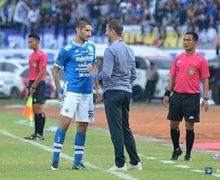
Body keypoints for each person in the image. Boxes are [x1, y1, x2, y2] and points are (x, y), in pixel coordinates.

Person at [88, 19, 142, 171]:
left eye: (106, 30)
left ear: (112, 31)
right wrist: (125, 84)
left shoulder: (110, 49)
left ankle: (120, 164)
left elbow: (106, 73)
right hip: (126, 92)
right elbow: (133, 75)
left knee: (115, 129)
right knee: (125, 127)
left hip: (113, 92)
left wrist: (94, 73)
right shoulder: (129, 49)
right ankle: (135, 162)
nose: (105, 33)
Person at [51, 18, 101, 170]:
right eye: (87, 30)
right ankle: (55, 159)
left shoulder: (92, 47)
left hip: (87, 92)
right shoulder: (67, 50)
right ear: (78, 30)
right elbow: (55, 70)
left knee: (83, 125)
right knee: (65, 123)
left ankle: (77, 162)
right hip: (72, 91)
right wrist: (59, 90)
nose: (89, 33)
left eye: (91, 31)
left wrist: (97, 88)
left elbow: (93, 68)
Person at [163, 32, 210, 161]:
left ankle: (188, 154)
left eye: (188, 40)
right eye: (184, 40)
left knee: (189, 125)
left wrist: (205, 99)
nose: (185, 42)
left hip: (192, 97)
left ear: (195, 42)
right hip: (177, 95)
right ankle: (176, 149)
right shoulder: (178, 58)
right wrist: (167, 93)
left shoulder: (201, 60)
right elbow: (172, 77)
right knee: (173, 124)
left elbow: (205, 80)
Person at [24, 33, 47, 140]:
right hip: (32, 83)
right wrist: (29, 86)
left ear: (37, 42)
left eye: (31, 42)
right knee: (34, 109)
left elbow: (42, 71)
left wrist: (34, 86)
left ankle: (40, 134)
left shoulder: (42, 54)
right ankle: (36, 133)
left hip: (39, 84)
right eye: (28, 42)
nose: (29, 44)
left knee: (39, 108)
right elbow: (31, 72)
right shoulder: (31, 55)